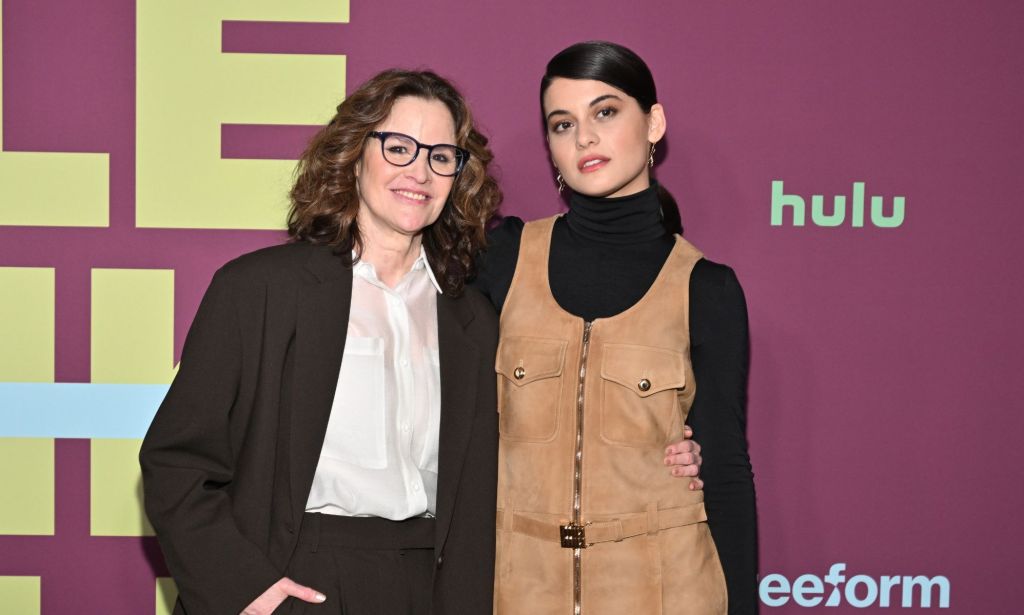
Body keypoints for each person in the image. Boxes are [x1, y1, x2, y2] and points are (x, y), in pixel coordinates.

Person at [140, 69, 503, 615]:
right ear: (355, 154)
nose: (420, 171)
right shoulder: (259, 288)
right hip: (297, 576)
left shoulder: (472, 319)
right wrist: (244, 588)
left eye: (440, 155)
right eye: (399, 147)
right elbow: (176, 461)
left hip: (430, 586)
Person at [473, 41, 758, 614]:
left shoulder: (708, 288)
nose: (584, 138)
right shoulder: (501, 259)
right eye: (562, 123)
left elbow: (724, 467)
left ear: (653, 123)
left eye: (605, 112)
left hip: (666, 588)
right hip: (521, 589)